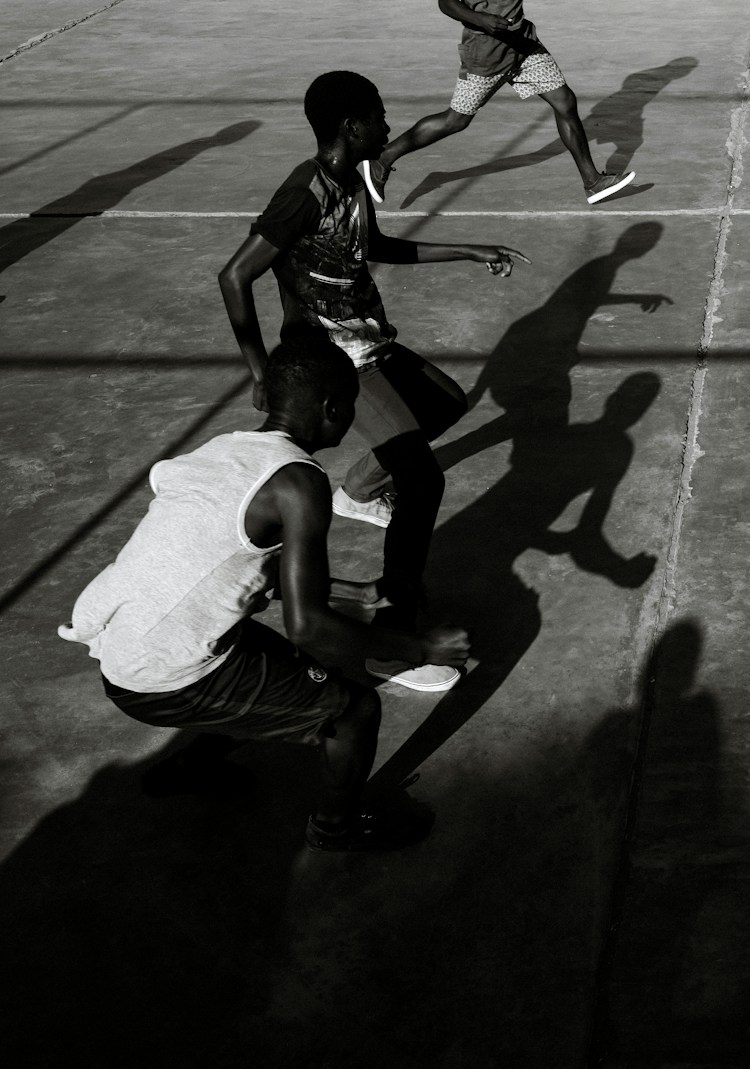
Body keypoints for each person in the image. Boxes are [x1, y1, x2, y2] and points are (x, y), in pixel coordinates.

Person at [58, 339, 472, 851]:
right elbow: (309, 625)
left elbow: (243, 562)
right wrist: (421, 650)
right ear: (334, 409)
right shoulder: (299, 482)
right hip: (162, 676)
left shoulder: (225, 451)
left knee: (287, 677)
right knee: (353, 710)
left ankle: (193, 764)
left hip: (132, 642)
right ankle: (335, 828)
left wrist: (359, 594)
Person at [220, 70, 525, 690]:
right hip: (330, 356)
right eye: (379, 117)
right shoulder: (303, 192)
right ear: (350, 126)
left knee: (445, 402)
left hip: (367, 337)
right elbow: (235, 276)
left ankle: (358, 489)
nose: (388, 127)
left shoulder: (354, 182)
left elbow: (373, 247)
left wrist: (467, 249)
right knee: (422, 480)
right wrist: (262, 373)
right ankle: (395, 641)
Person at [362, 1, 634, 206]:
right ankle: (383, 157)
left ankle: (593, 182)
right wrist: (479, 18)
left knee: (564, 100)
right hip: (486, 54)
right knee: (456, 120)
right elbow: (446, 2)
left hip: (524, 45)